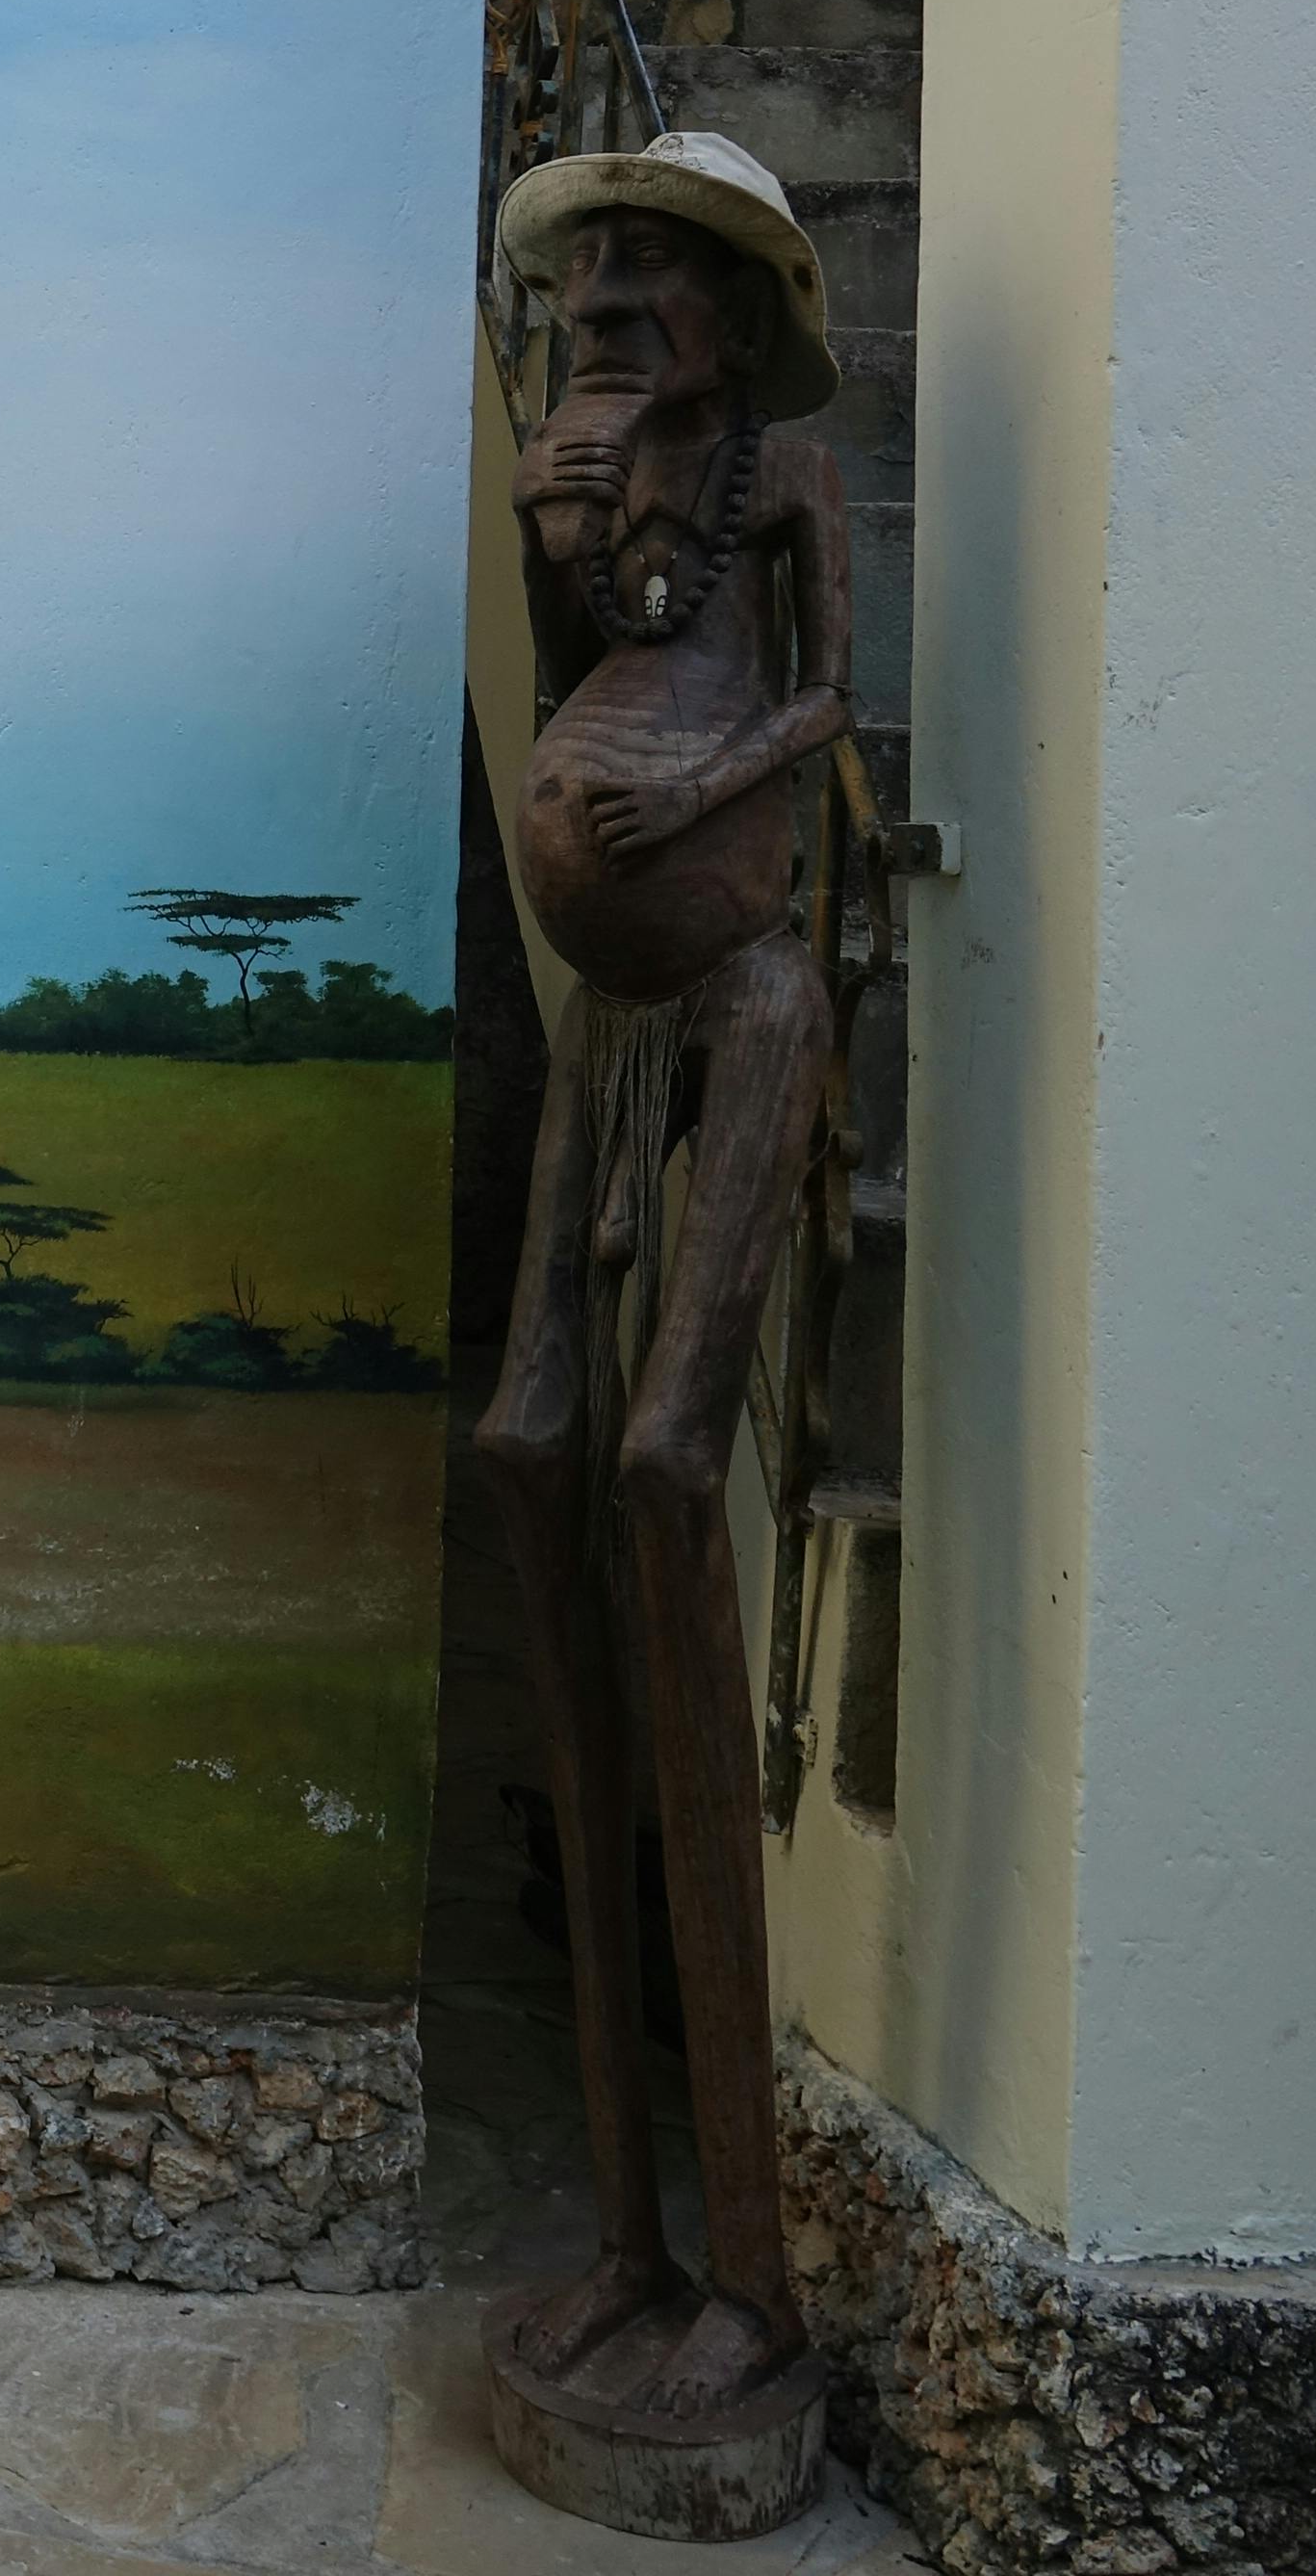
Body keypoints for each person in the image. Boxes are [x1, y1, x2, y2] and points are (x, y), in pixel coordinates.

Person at [481, 129, 850, 2442]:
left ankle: (760, 2276)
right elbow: (562, 698)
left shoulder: (780, 487)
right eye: (583, 288)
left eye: (643, 286)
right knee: (528, 1446)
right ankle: (624, 2232)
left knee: (661, 1470)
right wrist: (563, 567)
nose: (602, 317)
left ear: (730, 314)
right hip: (609, 1019)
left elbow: (830, 715)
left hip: (744, 993)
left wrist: (696, 779)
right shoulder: (604, 504)